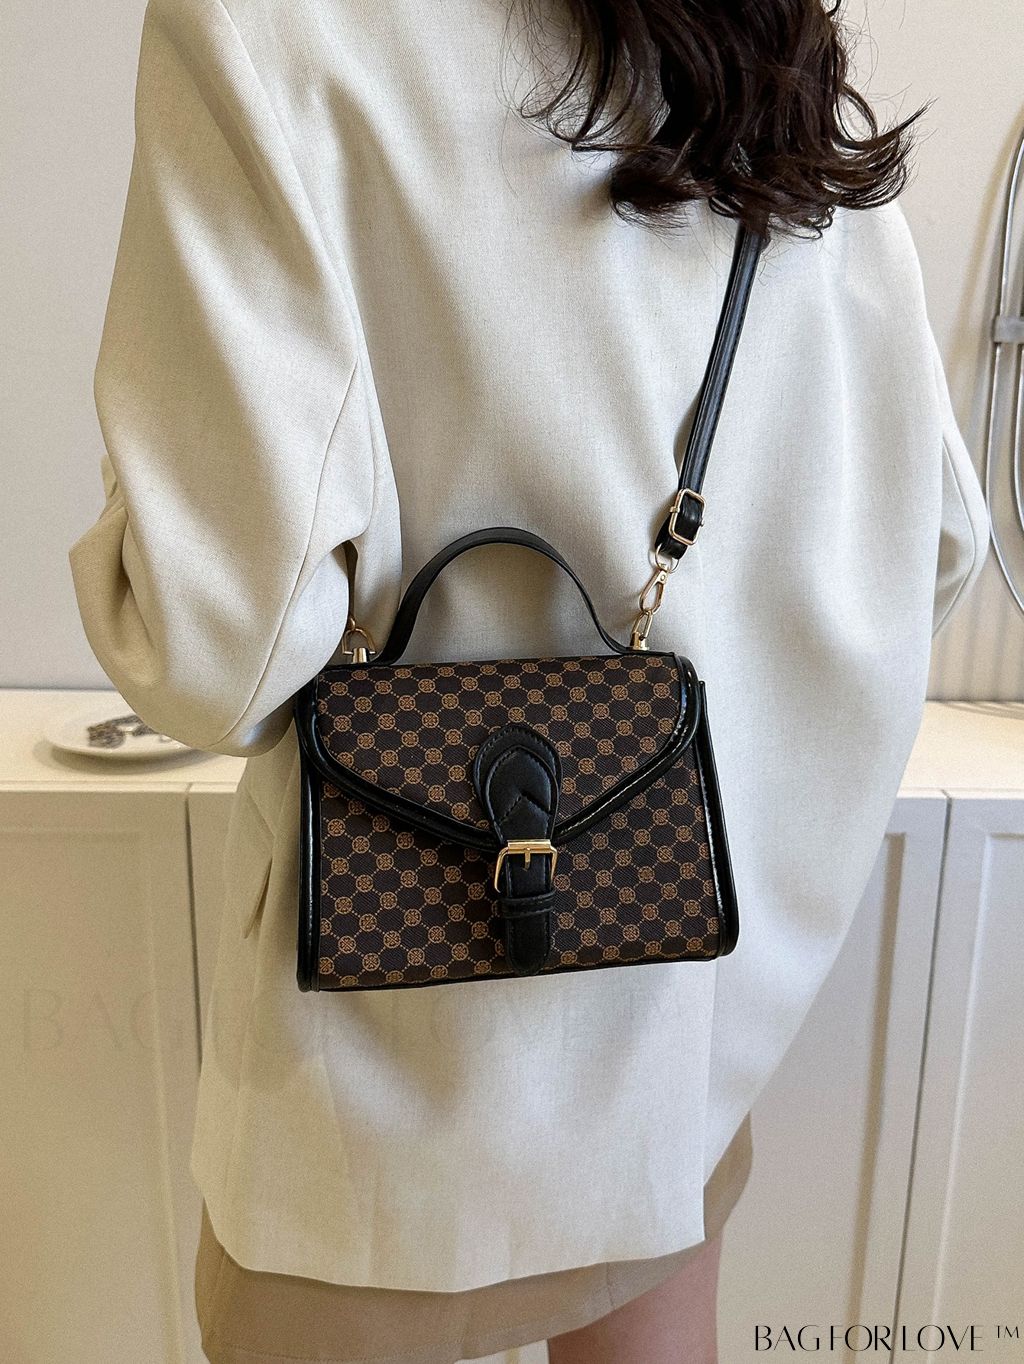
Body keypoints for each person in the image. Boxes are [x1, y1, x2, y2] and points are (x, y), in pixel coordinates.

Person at [68, 0, 990, 1360]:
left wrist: (127, 533)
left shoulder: (266, 28)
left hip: (386, 1106)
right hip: (684, 1046)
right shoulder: (763, 43)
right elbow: (934, 542)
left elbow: (216, 649)